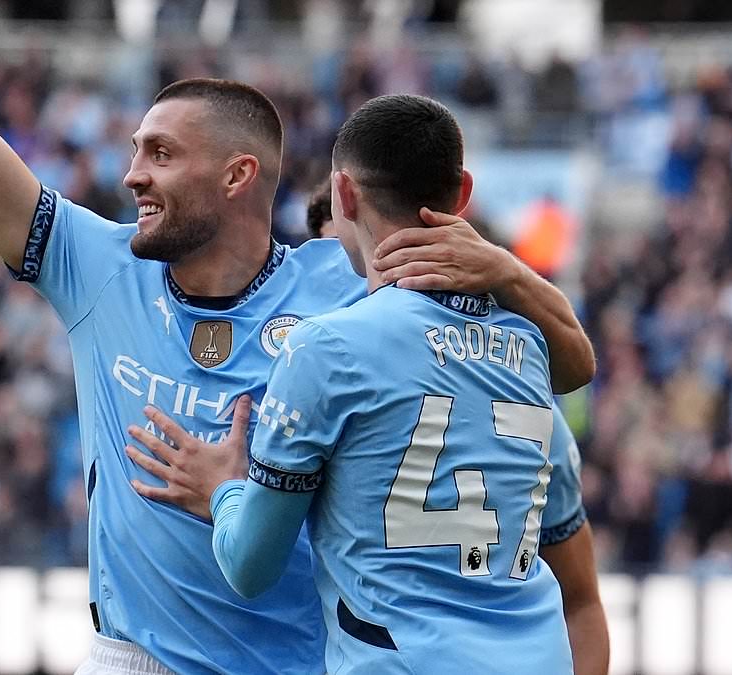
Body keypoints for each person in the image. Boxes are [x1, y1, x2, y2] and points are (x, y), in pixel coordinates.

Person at [0, 3, 596, 672]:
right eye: (133, 151)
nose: (132, 176)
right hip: (137, 655)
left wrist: (507, 271)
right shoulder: (94, 264)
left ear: (236, 176)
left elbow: (554, 361)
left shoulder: (351, 288)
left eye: (160, 153)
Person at [127, 95, 590, 673]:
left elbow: (250, 568)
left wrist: (223, 490)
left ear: (343, 195)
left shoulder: (326, 347)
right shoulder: (527, 340)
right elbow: (580, 365)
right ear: (462, 193)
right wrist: (511, 269)